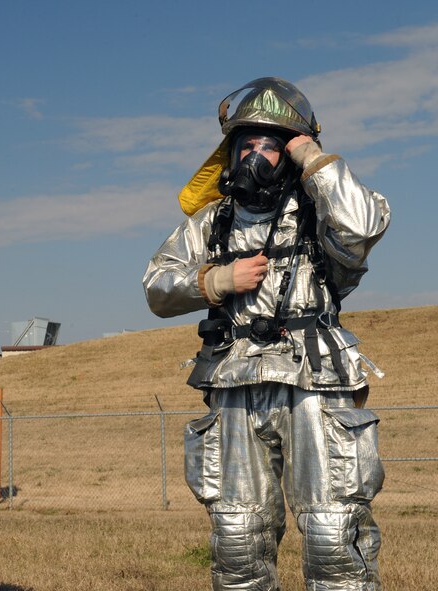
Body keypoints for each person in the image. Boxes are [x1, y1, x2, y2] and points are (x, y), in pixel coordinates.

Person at [143, 78, 390, 590]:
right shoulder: (212, 222)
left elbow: (363, 227)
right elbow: (157, 287)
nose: (257, 154)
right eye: (247, 144)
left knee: (331, 534)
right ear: (230, 153)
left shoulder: (323, 211)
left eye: (272, 144)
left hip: (315, 380)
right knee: (238, 538)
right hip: (232, 381)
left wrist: (312, 156)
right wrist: (215, 280)